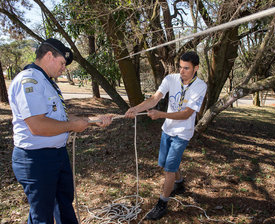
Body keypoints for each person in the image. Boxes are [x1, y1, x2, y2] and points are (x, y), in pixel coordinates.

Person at [8, 38, 112, 224]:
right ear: (49, 56)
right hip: (36, 159)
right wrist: (73, 126)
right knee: (42, 216)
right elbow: (38, 125)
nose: (64, 68)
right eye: (62, 63)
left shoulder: (46, 81)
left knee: (64, 205)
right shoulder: (29, 80)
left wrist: (92, 121)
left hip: (56, 155)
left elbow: (58, 118)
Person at [125, 51, 207, 220]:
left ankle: (162, 203)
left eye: (186, 68)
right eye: (180, 67)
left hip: (182, 133)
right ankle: (179, 183)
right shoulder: (171, 79)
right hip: (167, 130)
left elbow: (186, 114)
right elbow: (155, 99)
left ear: (196, 68)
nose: (182, 71)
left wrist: (161, 115)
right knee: (165, 163)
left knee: (169, 168)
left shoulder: (200, 86)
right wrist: (136, 109)